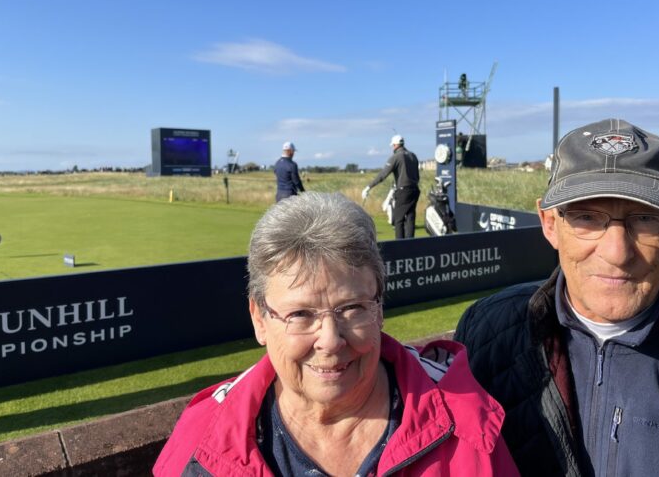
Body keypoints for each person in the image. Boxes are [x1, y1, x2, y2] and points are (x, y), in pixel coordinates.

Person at [154, 192, 518, 476]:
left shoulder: (466, 421)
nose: (330, 339)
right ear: (259, 319)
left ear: (380, 307)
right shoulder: (201, 440)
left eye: (352, 308)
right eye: (300, 314)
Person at [454, 118, 659, 476]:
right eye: (586, 217)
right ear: (550, 224)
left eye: (645, 218)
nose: (616, 252)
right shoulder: (485, 333)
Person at [362, 135, 420, 238]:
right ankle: (411, 245)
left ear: (395, 145)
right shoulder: (413, 155)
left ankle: (400, 246)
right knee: (410, 218)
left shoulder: (396, 157)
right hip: (415, 190)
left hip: (403, 191)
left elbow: (383, 175)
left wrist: (369, 187)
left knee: (398, 219)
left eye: (393, 146)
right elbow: (417, 176)